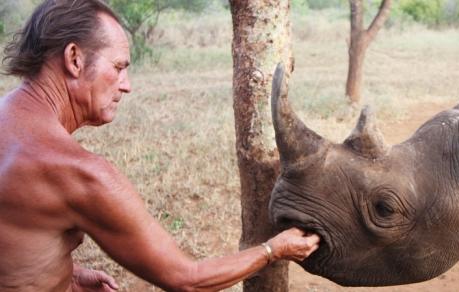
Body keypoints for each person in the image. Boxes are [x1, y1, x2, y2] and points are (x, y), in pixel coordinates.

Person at [0, 0, 320, 291]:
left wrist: (66, 272)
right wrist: (274, 249)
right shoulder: (78, 173)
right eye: (119, 67)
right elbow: (187, 278)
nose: (127, 85)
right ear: (74, 59)